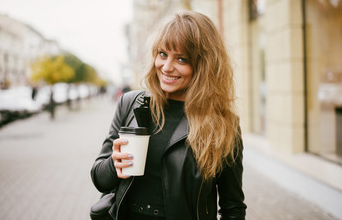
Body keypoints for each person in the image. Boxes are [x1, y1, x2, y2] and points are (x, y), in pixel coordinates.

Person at [91, 11, 246, 220]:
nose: (166, 67)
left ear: (203, 66)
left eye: (181, 59)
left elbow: (233, 207)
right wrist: (113, 164)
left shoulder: (222, 124)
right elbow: (100, 179)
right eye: (163, 54)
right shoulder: (131, 104)